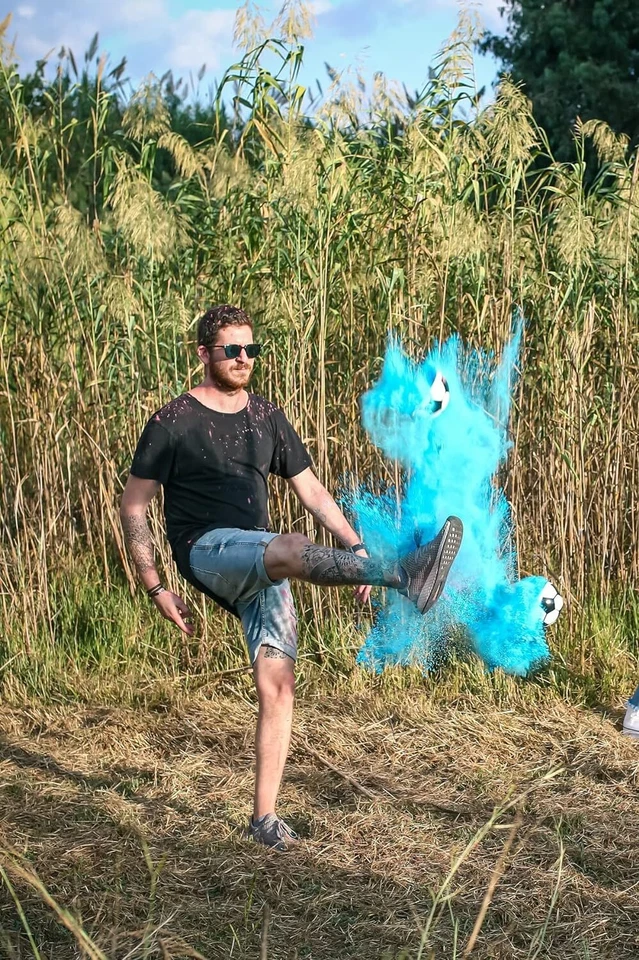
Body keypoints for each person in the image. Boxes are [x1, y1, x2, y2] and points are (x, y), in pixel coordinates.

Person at [120, 304, 463, 850]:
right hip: (207, 549)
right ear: (204, 354)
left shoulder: (267, 417)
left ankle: (263, 821)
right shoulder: (173, 422)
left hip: (262, 559)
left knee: (277, 685)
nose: (243, 359)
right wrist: (156, 584)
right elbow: (134, 504)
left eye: (250, 349)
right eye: (231, 350)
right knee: (292, 546)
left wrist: (354, 547)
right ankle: (405, 575)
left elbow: (314, 492)